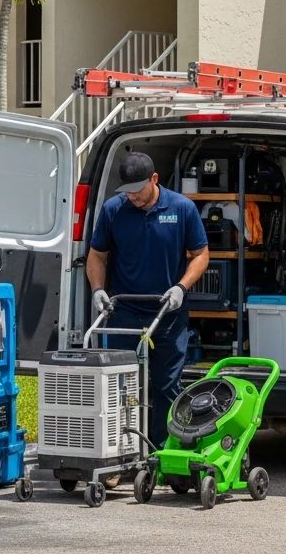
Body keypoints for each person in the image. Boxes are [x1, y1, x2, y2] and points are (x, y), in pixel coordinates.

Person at [87, 151, 209, 449]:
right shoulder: (113, 210)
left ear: (154, 179)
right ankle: (117, 455)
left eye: (138, 190)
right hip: (125, 312)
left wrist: (181, 287)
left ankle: (162, 454)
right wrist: (98, 289)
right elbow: (97, 255)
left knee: (166, 387)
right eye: (127, 191)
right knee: (118, 386)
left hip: (168, 313)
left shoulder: (182, 208)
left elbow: (201, 255)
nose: (133, 198)